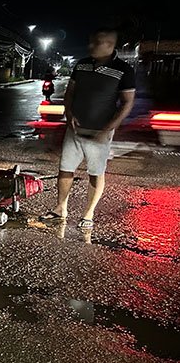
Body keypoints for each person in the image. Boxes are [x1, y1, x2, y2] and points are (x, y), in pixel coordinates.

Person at [39, 28, 136, 229]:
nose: (91, 46)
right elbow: (70, 92)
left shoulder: (123, 69)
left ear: (110, 45)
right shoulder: (82, 64)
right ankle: (60, 209)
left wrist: (109, 128)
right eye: (91, 41)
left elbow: (127, 103)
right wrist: (69, 114)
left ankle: (88, 214)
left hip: (100, 132)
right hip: (75, 128)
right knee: (65, 170)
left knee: (96, 173)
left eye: (97, 42)